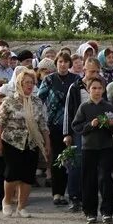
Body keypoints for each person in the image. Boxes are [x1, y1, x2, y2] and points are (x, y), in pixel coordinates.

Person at [0, 68, 52, 218]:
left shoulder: (37, 102)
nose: (29, 85)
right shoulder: (9, 101)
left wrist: (47, 143)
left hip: (31, 142)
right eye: (26, 82)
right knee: (12, 173)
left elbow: (43, 125)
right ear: (19, 83)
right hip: (12, 142)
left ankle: (22, 206)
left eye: (32, 83)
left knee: (28, 176)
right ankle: (6, 202)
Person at [72, 77, 113, 224]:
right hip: (89, 147)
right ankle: (90, 211)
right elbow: (77, 126)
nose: (97, 91)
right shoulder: (84, 107)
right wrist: (90, 125)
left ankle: (107, 211)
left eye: (99, 88)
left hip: (105, 147)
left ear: (103, 90)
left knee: (105, 178)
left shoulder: (108, 106)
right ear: (88, 90)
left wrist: (111, 124)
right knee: (89, 179)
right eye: (94, 88)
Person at [38, 53, 81, 206]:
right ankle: (58, 193)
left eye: (66, 62)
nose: (63, 64)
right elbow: (38, 99)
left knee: (74, 160)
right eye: (60, 62)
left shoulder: (76, 80)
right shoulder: (49, 79)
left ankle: (75, 194)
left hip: (73, 124)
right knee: (58, 159)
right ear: (56, 63)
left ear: (70, 64)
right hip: (54, 125)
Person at [63, 58, 104, 212]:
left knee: (94, 166)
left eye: (96, 71)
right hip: (79, 131)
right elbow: (68, 110)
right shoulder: (75, 87)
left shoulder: (100, 86)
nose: (94, 74)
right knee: (76, 164)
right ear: (84, 70)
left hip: (96, 131)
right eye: (91, 71)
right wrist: (67, 133)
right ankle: (74, 197)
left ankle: (89, 197)